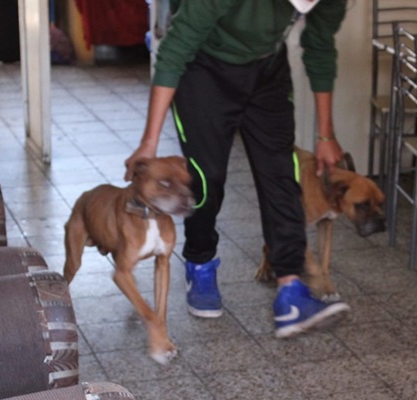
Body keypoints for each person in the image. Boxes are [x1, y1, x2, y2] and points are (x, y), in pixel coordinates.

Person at [125, 0, 350, 338]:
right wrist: (149, 142)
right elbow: (175, 49)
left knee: (281, 174)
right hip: (203, 67)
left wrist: (326, 135)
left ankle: (290, 289)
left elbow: (320, 48)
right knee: (206, 177)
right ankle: (200, 263)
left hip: (267, 71)